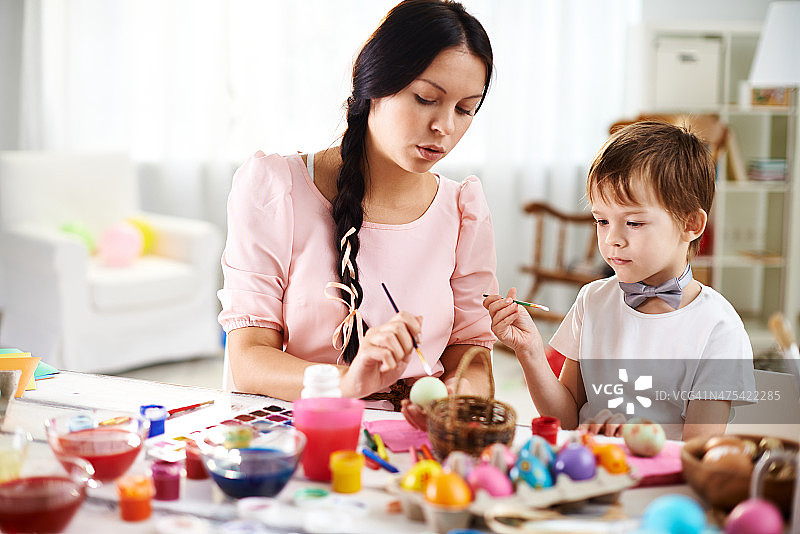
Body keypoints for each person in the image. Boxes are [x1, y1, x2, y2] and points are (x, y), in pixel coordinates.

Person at [218, 0, 498, 427]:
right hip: (295, 434)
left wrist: (456, 399)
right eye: (426, 99)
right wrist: (349, 383)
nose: (445, 126)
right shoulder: (276, 187)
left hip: (413, 441)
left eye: (465, 109)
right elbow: (249, 359)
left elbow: (472, 353)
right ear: (374, 83)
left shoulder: (464, 210)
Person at [485, 121, 755, 441]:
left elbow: (698, 451)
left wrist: (638, 438)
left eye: (634, 222)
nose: (613, 239)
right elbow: (566, 419)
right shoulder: (593, 299)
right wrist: (529, 351)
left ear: (691, 224)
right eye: (602, 220)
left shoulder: (718, 325)